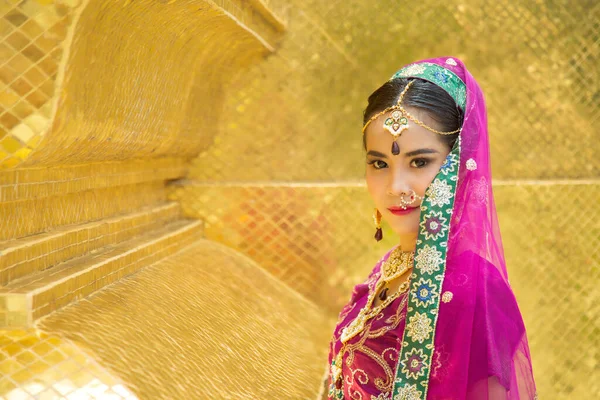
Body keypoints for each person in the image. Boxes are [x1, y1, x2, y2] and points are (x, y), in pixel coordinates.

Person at [325, 57, 537, 400]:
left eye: (419, 162)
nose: (396, 186)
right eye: (379, 163)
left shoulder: (475, 293)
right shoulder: (388, 269)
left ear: (460, 168)